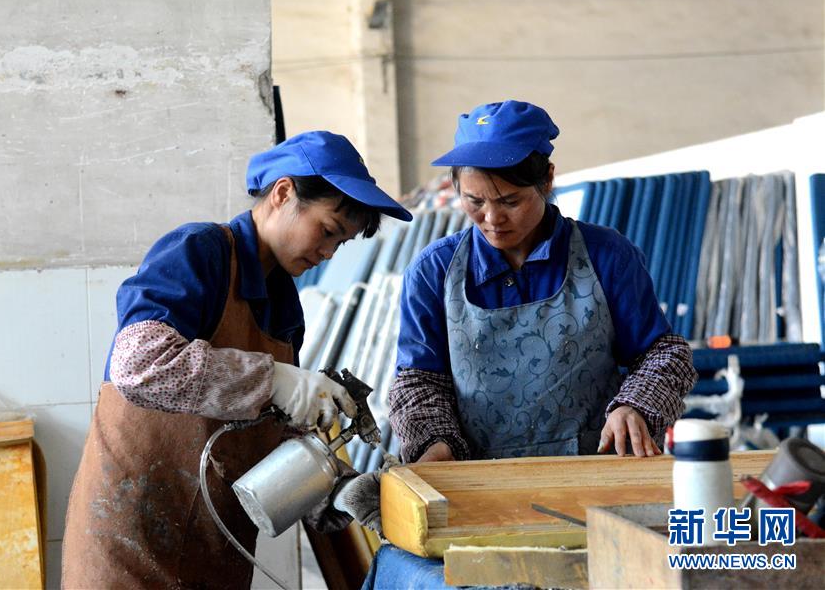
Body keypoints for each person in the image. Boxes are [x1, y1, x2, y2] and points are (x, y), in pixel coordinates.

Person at [61, 131, 412, 589]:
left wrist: (337, 488)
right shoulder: (199, 253)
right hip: (132, 544)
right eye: (328, 231)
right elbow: (138, 363)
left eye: (340, 244)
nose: (328, 253)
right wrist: (273, 380)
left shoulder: (285, 307)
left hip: (214, 549)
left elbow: (270, 436)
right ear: (282, 193)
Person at [388, 100, 697, 464]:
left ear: (547, 179)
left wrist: (635, 406)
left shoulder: (606, 256)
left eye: (510, 201)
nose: (492, 218)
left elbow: (663, 354)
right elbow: (419, 380)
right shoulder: (435, 271)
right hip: (476, 479)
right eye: (474, 201)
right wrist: (434, 442)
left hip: (591, 472)